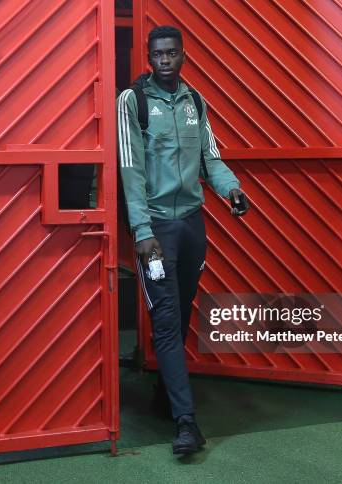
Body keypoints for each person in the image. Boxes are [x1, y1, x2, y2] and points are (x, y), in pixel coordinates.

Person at [117, 25, 248, 455]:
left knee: (180, 310)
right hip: (156, 231)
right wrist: (141, 230)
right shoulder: (133, 103)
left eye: (172, 53)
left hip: (192, 227)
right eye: (158, 55)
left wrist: (231, 189)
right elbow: (131, 169)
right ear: (149, 58)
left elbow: (210, 157)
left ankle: (165, 392)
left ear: (183, 55)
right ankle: (187, 423)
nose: (165, 60)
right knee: (168, 320)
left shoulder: (195, 101)